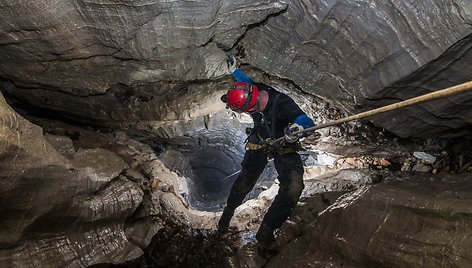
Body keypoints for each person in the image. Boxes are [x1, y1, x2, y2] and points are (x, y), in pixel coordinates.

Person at [218, 56, 316, 252]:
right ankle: (228, 213)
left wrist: (298, 127)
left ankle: (267, 230)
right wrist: (234, 71)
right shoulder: (254, 89)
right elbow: (245, 83)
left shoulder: (282, 104)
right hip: (260, 141)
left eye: (247, 112)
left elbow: (307, 122)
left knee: (294, 186)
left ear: (252, 106)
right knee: (245, 181)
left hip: (283, 142)